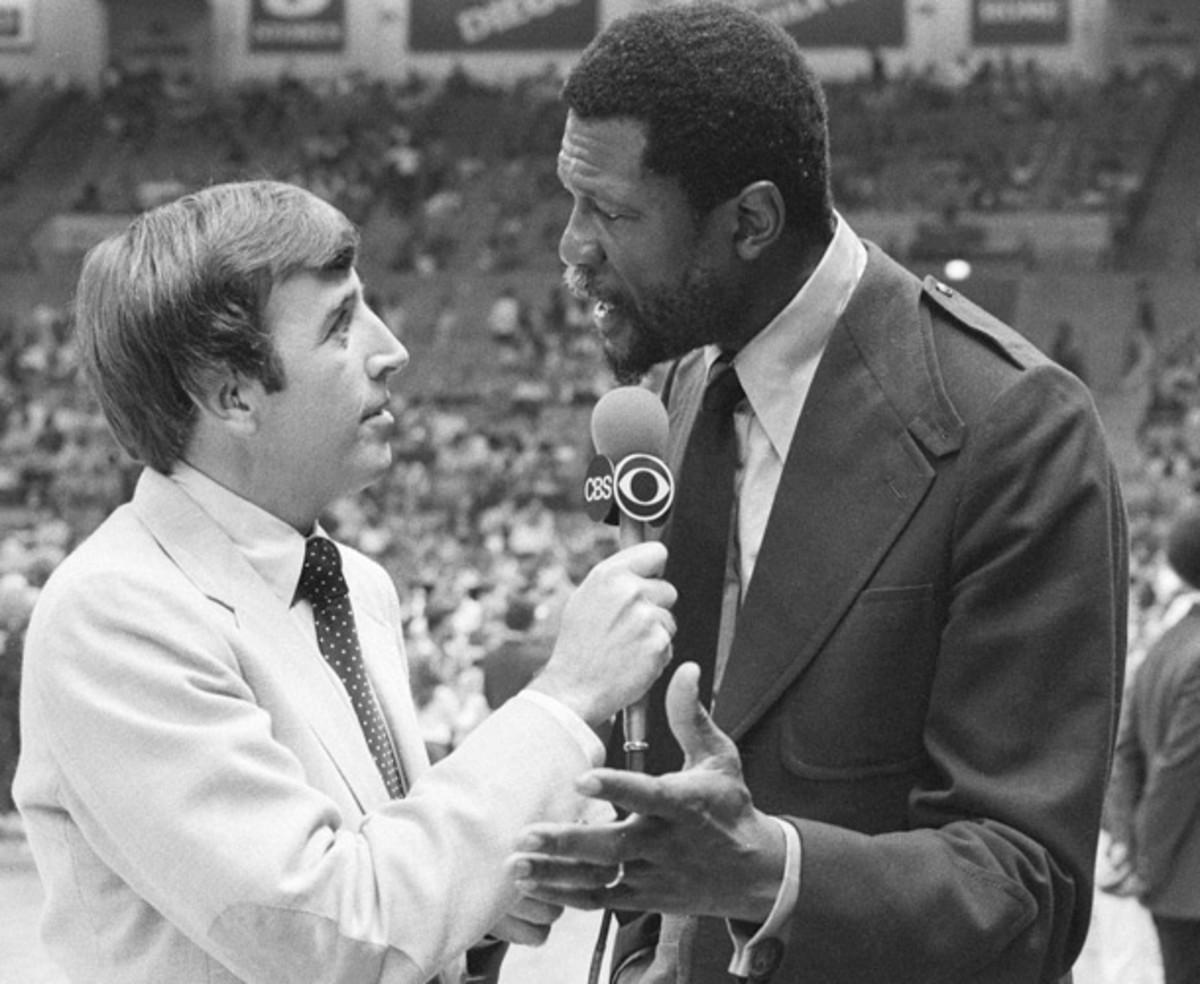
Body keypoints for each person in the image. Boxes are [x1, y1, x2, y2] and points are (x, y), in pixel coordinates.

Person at [509, 5, 1129, 983]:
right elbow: (686, 768)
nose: (572, 247)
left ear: (750, 221)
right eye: (573, 201)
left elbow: (1028, 891)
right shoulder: (670, 393)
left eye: (615, 213)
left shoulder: (1015, 428)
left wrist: (775, 874)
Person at [13, 179, 678, 984]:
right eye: (338, 325)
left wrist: (480, 900)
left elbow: (376, 864)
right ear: (232, 394)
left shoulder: (354, 584)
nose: (391, 346)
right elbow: (337, 941)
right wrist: (568, 692)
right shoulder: (115, 614)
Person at [1105, 504, 1200, 984]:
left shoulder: (1165, 644)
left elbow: (1126, 754)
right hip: (1184, 878)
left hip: (1170, 884)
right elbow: (1176, 776)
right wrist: (1146, 859)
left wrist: (1125, 837)